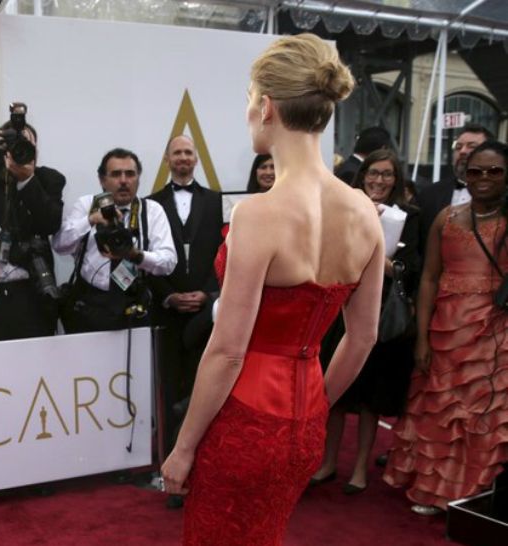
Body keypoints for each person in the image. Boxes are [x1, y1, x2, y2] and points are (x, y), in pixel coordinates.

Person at [161, 33, 383, 545]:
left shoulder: (258, 214)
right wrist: (314, 408)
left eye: (247, 100)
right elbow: (363, 338)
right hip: (306, 424)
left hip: (242, 421)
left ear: (266, 107)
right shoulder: (364, 214)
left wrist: (184, 446)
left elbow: (227, 352)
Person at [384, 141, 508, 515]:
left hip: (495, 330)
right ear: (463, 174)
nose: (483, 178)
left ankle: (479, 492)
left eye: (494, 171)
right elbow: (429, 279)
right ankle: (436, 490)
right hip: (446, 328)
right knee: (440, 408)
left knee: (485, 414)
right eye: (475, 171)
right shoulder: (446, 218)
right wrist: (421, 336)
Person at [311, 149, 421, 495]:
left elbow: (412, 270)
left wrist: (380, 257)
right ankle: (327, 463)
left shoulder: (412, 217)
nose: (379, 180)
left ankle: (359, 468)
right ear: (363, 176)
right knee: (335, 394)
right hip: (340, 312)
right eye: (374, 173)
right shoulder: (346, 210)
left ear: (396, 179)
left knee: (372, 398)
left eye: (387, 174)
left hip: (381, 317)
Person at [146, 136, 224, 508]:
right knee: (169, 391)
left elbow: (224, 253)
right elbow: (146, 258)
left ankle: (201, 470)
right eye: (176, 152)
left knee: (202, 392)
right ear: (167, 159)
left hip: (206, 314)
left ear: (196, 159)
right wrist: (168, 295)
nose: (182, 158)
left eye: (188, 152)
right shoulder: (151, 203)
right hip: (168, 311)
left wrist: (208, 295)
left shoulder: (214, 200)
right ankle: (168, 472)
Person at [52, 148, 176, 333]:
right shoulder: (87, 204)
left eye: (130, 174)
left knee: (135, 362)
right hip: (89, 304)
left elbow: (168, 261)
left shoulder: (151, 210)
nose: (124, 181)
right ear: (102, 180)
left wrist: (136, 255)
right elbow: (60, 245)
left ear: (138, 178)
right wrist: (91, 220)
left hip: (133, 302)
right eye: (116, 174)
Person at [0, 118, 65, 342]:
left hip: (31, 292)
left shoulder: (48, 180)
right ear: (1, 147)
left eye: (27, 143)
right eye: (14, 143)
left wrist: (27, 180)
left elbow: (50, 222)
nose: (22, 148)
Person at [416, 124, 494, 252]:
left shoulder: (501, 196)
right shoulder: (428, 195)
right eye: (458, 147)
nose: (463, 151)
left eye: (472, 146)